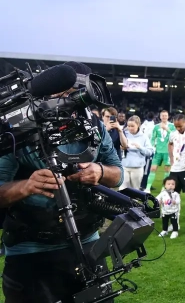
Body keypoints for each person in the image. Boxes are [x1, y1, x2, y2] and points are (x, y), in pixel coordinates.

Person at [0, 66, 125, 303]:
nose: (70, 99)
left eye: (76, 92)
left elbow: (118, 174)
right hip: (31, 253)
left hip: (89, 243)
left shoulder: (94, 125)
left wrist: (100, 171)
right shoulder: (19, 128)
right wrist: (27, 186)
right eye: (64, 92)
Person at [121, 115, 153, 191]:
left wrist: (140, 147)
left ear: (138, 125)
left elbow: (150, 152)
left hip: (137, 168)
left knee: (135, 190)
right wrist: (121, 148)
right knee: (123, 189)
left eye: (132, 126)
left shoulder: (144, 137)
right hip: (124, 166)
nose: (130, 128)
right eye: (128, 126)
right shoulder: (124, 134)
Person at [147, 110, 176, 192]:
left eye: (165, 115)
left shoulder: (172, 126)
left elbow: (175, 136)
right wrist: (152, 147)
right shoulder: (156, 127)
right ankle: (148, 188)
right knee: (153, 169)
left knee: (167, 170)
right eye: (162, 115)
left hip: (168, 151)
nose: (164, 117)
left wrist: (167, 129)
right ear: (160, 117)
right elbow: (152, 138)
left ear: (168, 116)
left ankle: (164, 188)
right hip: (158, 151)